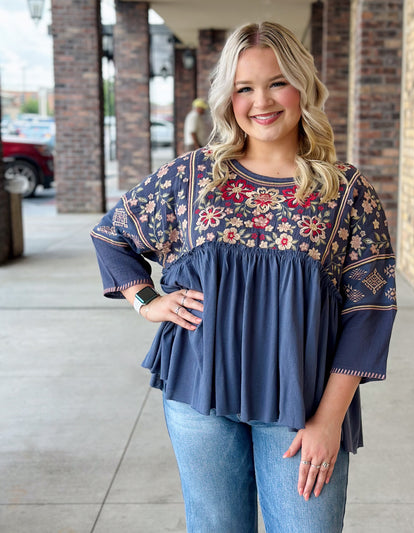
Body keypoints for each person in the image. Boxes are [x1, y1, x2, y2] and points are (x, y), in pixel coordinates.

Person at [91, 21, 397, 533]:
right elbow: (111, 235)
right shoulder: (192, 176)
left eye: (277, 82)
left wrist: (329, 419)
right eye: (243, 88)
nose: (262, 101)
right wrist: (147, 301)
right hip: (199, 394)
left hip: (300, 403)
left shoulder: (346, 192)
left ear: (302, 86)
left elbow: (368, 311)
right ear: (227, 98)